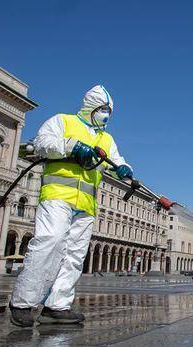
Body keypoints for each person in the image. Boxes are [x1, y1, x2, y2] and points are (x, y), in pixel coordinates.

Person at [9, 85, 133, 327]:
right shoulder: (62, 122)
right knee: (50, 242)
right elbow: (42, 143)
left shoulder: (106, 139)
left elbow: (117, 161)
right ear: (91, 107)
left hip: (86, 204)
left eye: (109, 111)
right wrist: (71, 147)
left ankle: (57, 306)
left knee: (75, 255)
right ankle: (23, 302)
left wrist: (125, 169)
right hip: (58, 196)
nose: (106, 114)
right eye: (103, 109)